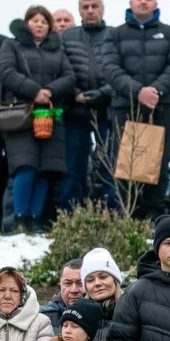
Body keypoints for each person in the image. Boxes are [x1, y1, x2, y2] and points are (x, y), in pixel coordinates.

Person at [102, 0, 170, 219]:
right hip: (126, 108)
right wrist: (137, 91)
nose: (143, 2)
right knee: (127, 164)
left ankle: (154, 216)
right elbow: (110, 67)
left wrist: (155, 91)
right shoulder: (115, 34)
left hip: (160, 108)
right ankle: (128, 215)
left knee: (158, 163)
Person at [0, 7, 75, 233]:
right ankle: (19, 217)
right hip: (21, 117)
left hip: (50, 117)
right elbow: (6, 71)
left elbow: (70, 77)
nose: (39, 25)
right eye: (35, 21)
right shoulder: (12, 45)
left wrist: (50, 91)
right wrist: (34, 91)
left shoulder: (58, 50)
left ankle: (34, 218)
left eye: (44, 21)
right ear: (26, 23)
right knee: (26, 167)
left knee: (46, 168)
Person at [59, 0, 116, 211]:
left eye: (94, 6)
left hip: (108, 111)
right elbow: (60, 69)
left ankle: (112, 214)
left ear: (102, 8)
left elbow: (121, 71)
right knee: (73, 167)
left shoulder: (115, 34)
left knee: (111, 166)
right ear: (79, 10)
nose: (90, 11)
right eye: (85, 7)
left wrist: (102, 93)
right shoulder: (66, 37)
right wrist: (74, 94)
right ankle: (68, 215)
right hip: (76, 111)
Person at [81, 246, 122, 340]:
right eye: (90, 280)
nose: (97, 283)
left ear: (114, 280)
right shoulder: (77, 315)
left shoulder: (132, 310)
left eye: (103, 277)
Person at [40, 258, 83, 333]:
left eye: (80, 283)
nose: (74, 290)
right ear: (60, 285)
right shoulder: (43, 317)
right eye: (68, 283)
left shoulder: (104, 317)